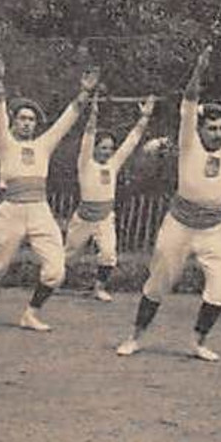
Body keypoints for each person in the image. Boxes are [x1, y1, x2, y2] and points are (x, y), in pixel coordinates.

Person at [116, 47, 221, 362]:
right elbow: (190, 101)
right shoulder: (188, 142)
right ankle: (135, 337)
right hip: (179, 225)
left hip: (213, 230)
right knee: (158, 284)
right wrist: (199, 69)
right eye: (213, 127)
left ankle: (198, 342)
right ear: (201, 128)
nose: (219, 133)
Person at [0, 61, 99, 331]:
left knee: (56, 270)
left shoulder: (43, 144)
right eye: (22, 118)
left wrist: (84, 93)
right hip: (10, 211)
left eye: (31, 119)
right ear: (14, 120)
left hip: (39, 210)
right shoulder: (5, 143)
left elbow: (67, 120)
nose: (27, 123)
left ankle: (31, 314)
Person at [64, 92, 155, 301]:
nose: (107, 152)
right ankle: (53, 282)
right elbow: (87, 138)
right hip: (84, 218)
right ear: (94, 149)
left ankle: (98, 288)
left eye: (109, 149)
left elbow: (131, 142)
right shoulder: (85, 164)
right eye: (103, 148)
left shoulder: (113, 165)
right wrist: (93, 114)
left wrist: (145, 117)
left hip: (105, 217)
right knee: (69, 254)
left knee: (108, 254)